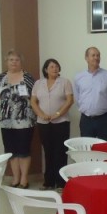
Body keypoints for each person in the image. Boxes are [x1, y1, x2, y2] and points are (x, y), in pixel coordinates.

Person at [0, 50, 36, 189]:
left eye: (16, 59)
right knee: (11, 151)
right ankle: (16, 177)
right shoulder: (1, 77)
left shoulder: (27, 77)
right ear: (7, 62)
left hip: (25, 120)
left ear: (20, 62)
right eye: (11, 59)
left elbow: (35, 96)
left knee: (23, 150)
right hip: (6, 121)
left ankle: (24, 178)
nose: (13, 62)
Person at [31, 58, 73, 190]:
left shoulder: (65, 82)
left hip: (61, 122)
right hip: (43, 122)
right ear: (45, 70)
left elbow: (70, 100)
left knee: (60, 152)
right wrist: (41, 114)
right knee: (48, 151)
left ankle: (61, 182)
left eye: (56, 66)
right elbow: (33, 101)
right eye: (52, 67)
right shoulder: (38, 83)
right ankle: (48, 182)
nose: (55, 69)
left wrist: (58, 114)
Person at [73, 46, 107, 142]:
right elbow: (77, 98)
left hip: (105, 119)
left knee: (106, 150)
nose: (96, 58)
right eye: (93, 55)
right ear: (86, 58)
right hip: (86, 120)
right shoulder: (79, 77)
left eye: (98, 55)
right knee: (87, 150)